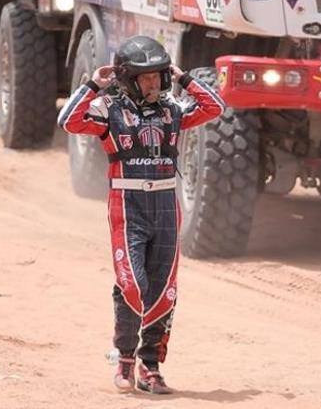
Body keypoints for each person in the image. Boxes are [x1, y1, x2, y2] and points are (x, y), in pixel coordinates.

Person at [58, 36, 226, 394]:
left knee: (163, 290)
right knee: (133, 285)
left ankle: (151, 365)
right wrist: (92, 84)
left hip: (166, 206)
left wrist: (183, 79)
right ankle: (124, 358)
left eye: (157, 76)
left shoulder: (174, 110)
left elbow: (216, 108)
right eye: (145, 77)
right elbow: (68, 121)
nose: (153, 83)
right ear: (128, 79)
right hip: (127, 206)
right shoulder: (108, 110)